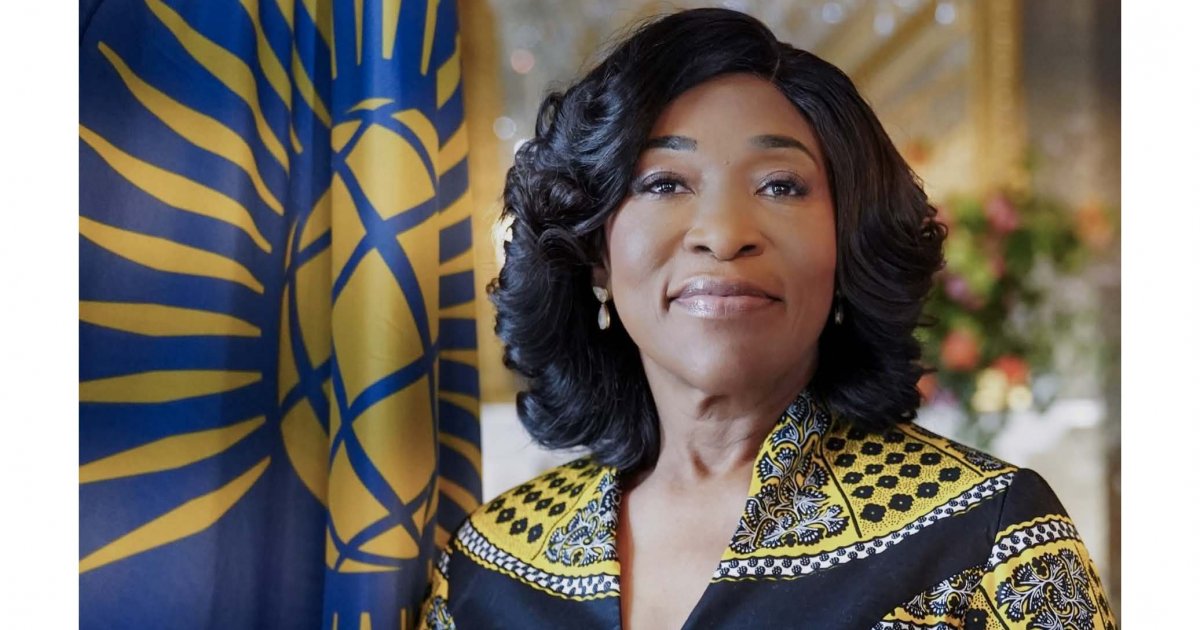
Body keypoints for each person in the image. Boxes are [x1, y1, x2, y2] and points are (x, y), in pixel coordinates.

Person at [420, 8, 1115, 630]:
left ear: (849, 244)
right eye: (664, 183)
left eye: (780, 185)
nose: (724, 234)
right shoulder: (489, 565)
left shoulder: (987, 539)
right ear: (593, 251)